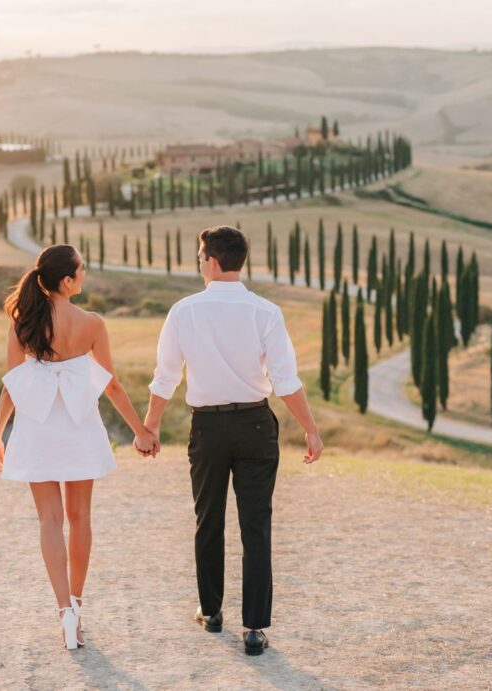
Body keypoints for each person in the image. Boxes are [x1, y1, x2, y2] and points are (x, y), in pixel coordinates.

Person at [142, 225, 324, 656]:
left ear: (211, 260)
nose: (199, 263)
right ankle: (255, 629)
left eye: (200, 256)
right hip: (257, 426)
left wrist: (149, 427)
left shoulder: (183, 312)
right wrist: (310, 429)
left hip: (207, 428)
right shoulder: (266, 312)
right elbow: (285, 380)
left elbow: (166, 378)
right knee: (255, 525)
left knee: (209, 520)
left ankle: (212, 613)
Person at [0, 244, 159, 650]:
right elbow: (112, 385)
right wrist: (141, 431)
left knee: (49, 520)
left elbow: (13, 386)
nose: (84, 275)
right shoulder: (92, 324)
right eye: (81, 270)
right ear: (67, 281)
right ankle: (78, 606)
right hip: (79, 427)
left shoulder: (22, 322)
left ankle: (64, 611)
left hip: (37, 428)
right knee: (79, 517)